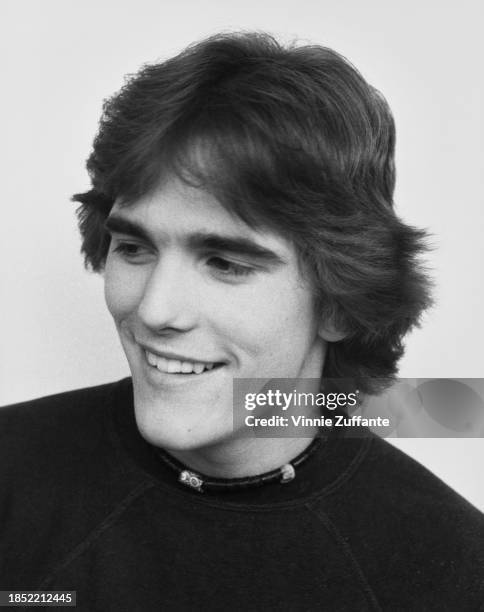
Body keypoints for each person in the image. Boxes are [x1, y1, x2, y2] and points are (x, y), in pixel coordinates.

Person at [1, 31, 482, 611]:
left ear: (337, 301)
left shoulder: (450, 569)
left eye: (225, 263)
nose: (155, 309)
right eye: (134, 248)